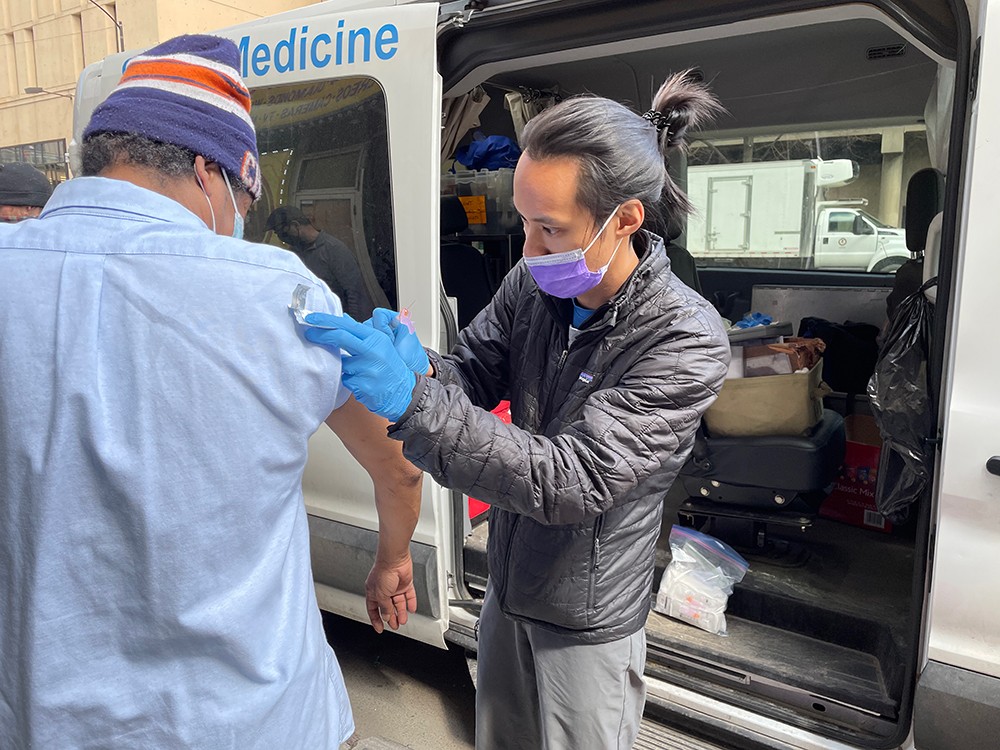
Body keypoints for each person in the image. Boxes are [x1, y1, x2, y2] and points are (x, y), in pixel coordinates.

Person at [0, 35, 422, 750]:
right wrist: (393, 562)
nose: (240, 220)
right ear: (209, 172)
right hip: (251, 721)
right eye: (244, 198)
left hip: (45, 721)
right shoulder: (280, 295)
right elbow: (400, 466)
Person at [302, 71, 731, 749]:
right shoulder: (533, 287)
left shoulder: (683, 338)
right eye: (524, 222)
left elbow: (571, 481)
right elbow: (470, 374)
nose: (528, 251)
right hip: (509, 585)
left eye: (549, 229)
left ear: (624, 220)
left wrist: (413, 400)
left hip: (586, 615)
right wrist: (421, 367)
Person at [266, 205, 377, 319]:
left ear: (295, 225)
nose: (281, 238)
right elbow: (297, 289)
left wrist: (352, 325)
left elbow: (355, 293)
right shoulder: (295, 253)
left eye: (282, 233)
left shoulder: (333, 250)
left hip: (337, 320)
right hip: (310, 321)